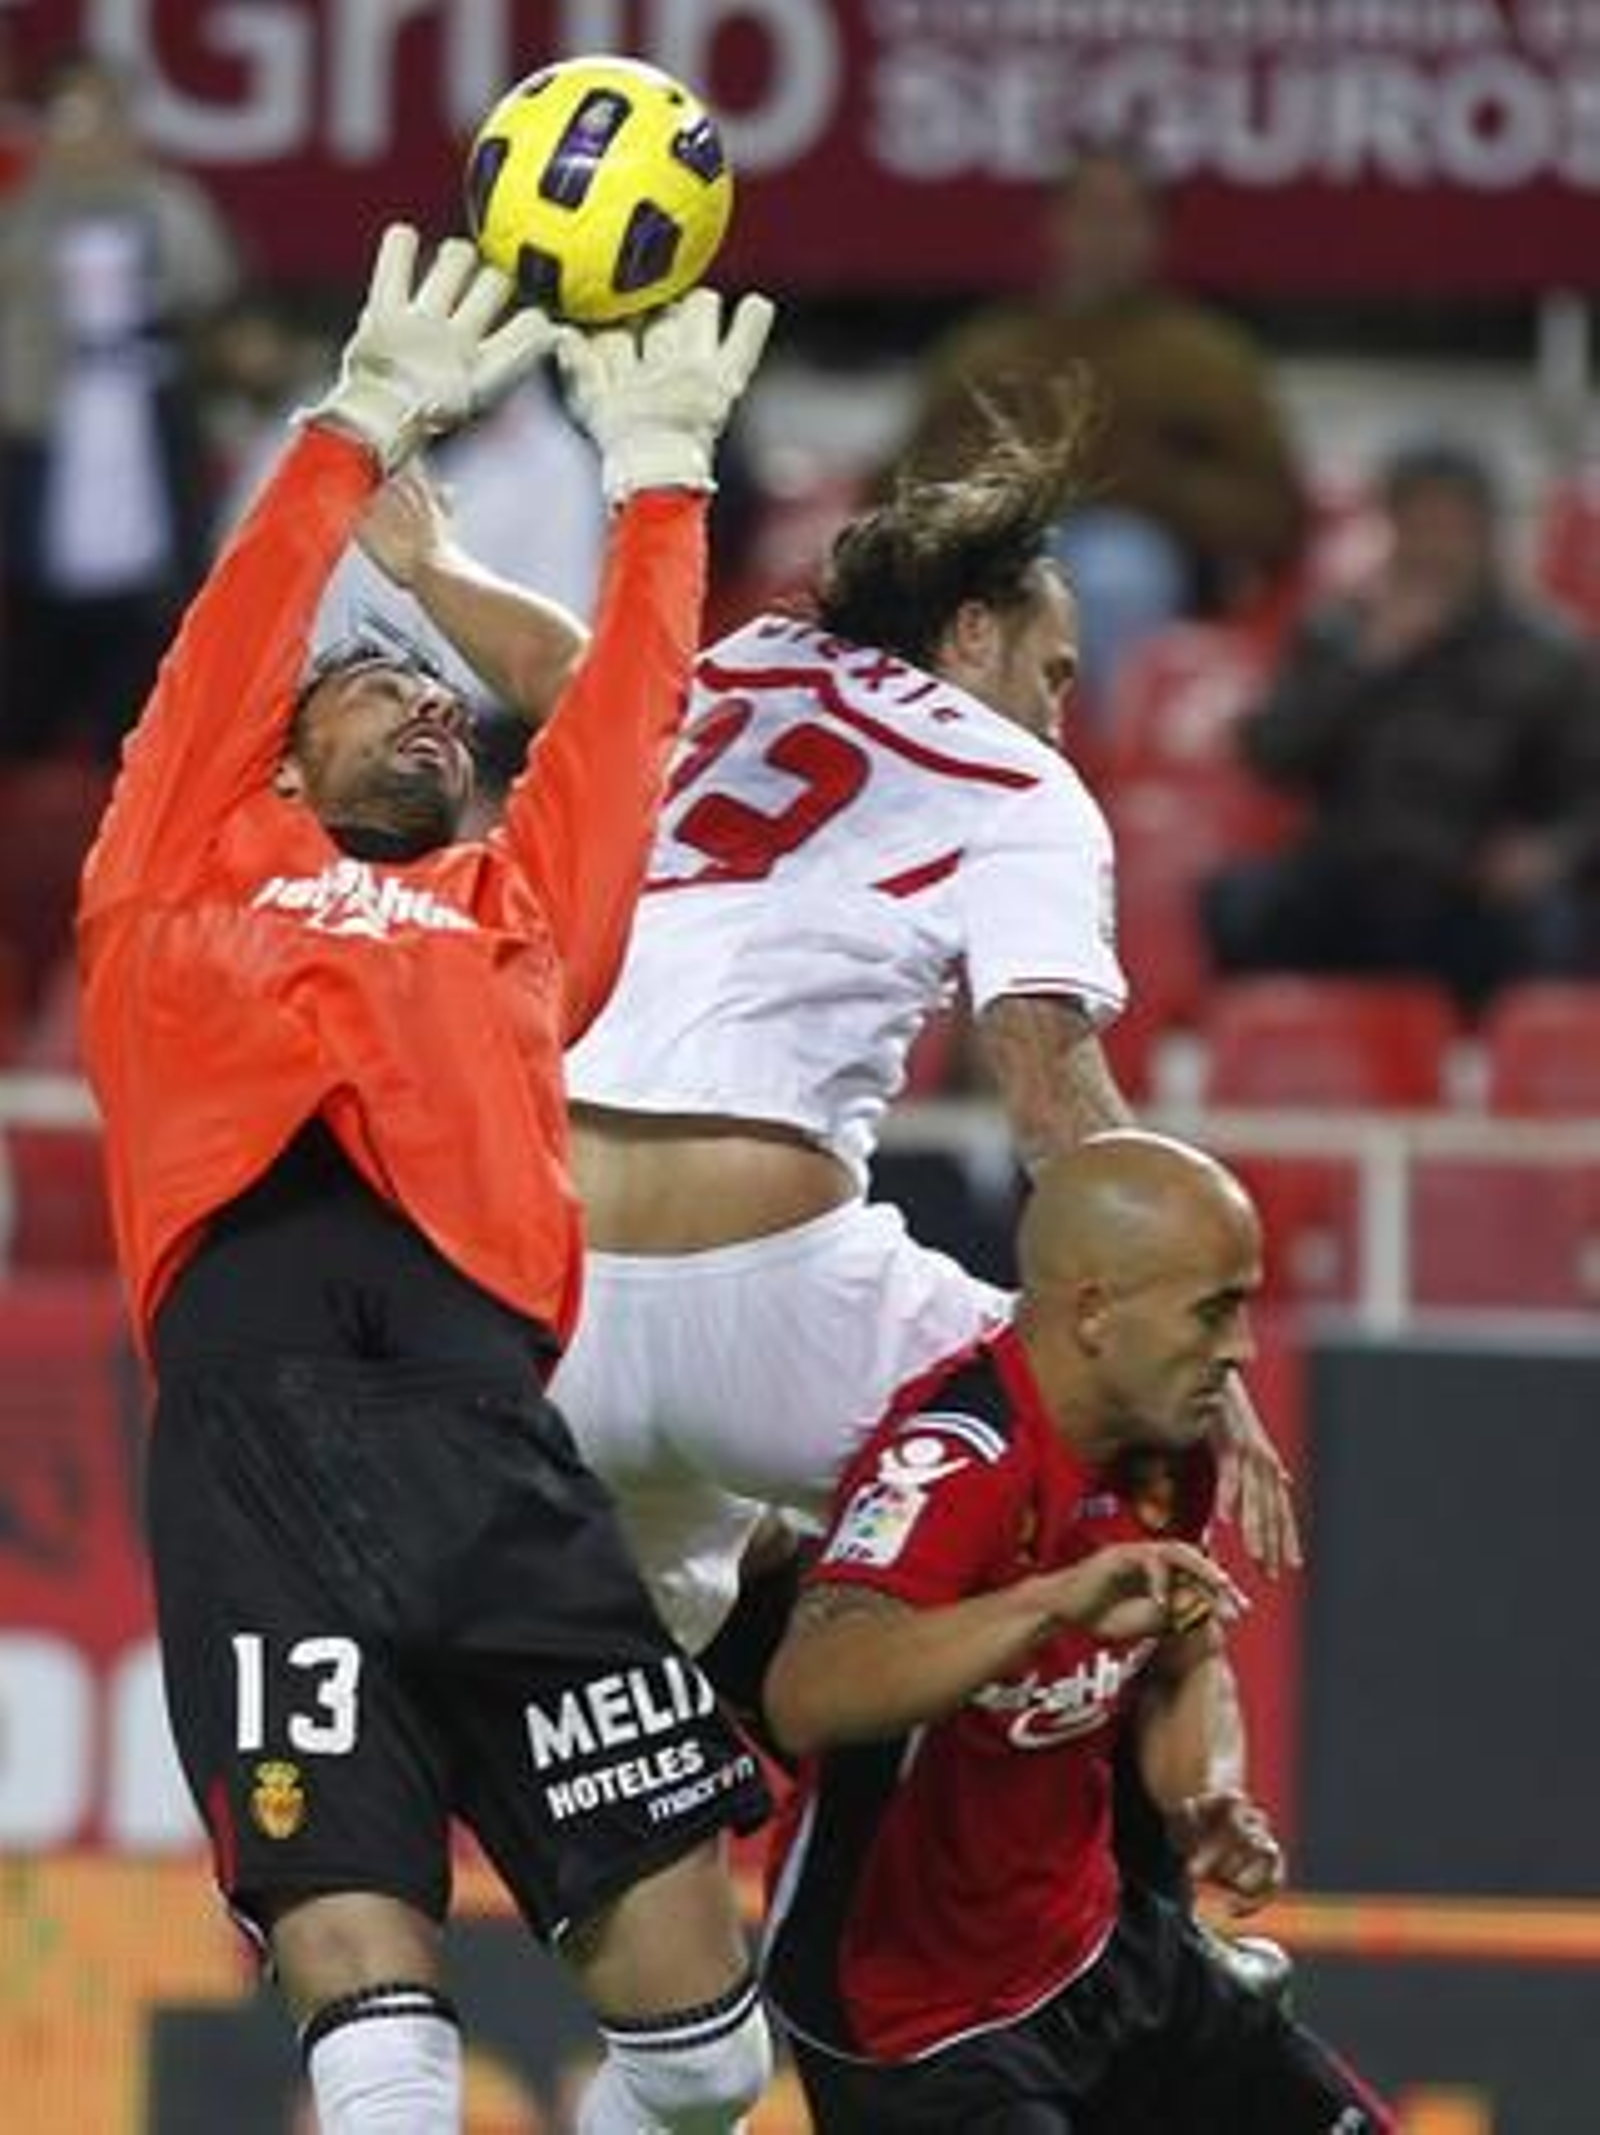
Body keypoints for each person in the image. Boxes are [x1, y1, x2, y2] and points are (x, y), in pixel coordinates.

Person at [77, 222, 777, 2135]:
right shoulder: (170, 874)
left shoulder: (519, 920)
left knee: (710, 2059)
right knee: (360, 1985)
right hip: (252, 1453)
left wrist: (659, 489)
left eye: (440, 703)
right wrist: (355, 423)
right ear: (276, 754)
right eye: (376, 683)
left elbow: (631, 734)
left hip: (489, 1448)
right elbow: (230, 645)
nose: (427, 706)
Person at [353, 409, 1299, 1676]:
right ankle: (1097, 1861)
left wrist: (428, 565)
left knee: (612, 1740)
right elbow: (1045, 1085)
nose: (1061, 714)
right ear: (972, 631)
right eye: (1055, 671)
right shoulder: (1026, 791)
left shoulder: (754, 666)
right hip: (780, 1305)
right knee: (1107, 1510)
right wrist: (1183, 1332)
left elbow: (570, 679)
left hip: (543, 1297)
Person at [760, 1130, 1393, 2132]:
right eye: (1215, 1309)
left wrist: (1206, 1792)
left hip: (1102, 1953)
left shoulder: (1165, 1453)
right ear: (1095, 1310)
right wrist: (1050, 1602)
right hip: (911, 2021)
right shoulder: (956, 1453)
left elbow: (1187, 1658)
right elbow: (809, 1691)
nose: (1240, 1349)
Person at [888, 144, 1308, 712]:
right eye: (1088, 214)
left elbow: (1276, 515)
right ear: (1054, 225)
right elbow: (894, 490)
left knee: (1111, 571)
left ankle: (1102, 771)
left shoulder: (1207, 358)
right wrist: (991, 478)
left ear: (1156, 233)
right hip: (1001, 547)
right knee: (983, 587)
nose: (1105, 235)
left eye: (1124, 217)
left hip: (1148, 561)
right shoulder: (988, 349)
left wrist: (1151, 482)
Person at [1202, 435, 1600, 1010]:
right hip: (1349, 882)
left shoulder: (1547, 652)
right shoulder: (1338, 633)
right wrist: (1372, 661)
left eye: (1454, 529)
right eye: (1420, 526)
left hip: (1473, 895)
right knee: (1237, 904)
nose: (1436, 548)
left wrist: (1548, 853)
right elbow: (1272, 754)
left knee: (1554, 927)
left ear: (1488, 536)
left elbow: (1590, 795)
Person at [0, 51, 241, 757]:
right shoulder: (24, 217)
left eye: (107, 114)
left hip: (146, 474)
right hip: (45, 461)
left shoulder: (167, 209)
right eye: (74, 115)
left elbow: (216, 296)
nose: (91, 133)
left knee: (140, 714)